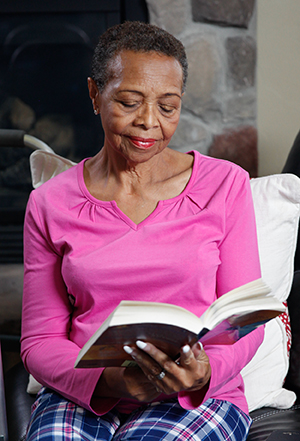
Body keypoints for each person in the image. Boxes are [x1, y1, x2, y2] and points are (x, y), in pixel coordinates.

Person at [21, 21, 263, 441]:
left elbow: (248, 321)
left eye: (168, 107)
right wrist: (109, 382)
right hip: (86, 389)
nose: (149, 122)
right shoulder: (49, 202)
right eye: (130, 102)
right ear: (96, 94)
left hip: (196, 395)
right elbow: (40, 339)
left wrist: (206, 371)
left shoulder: (226, 185)